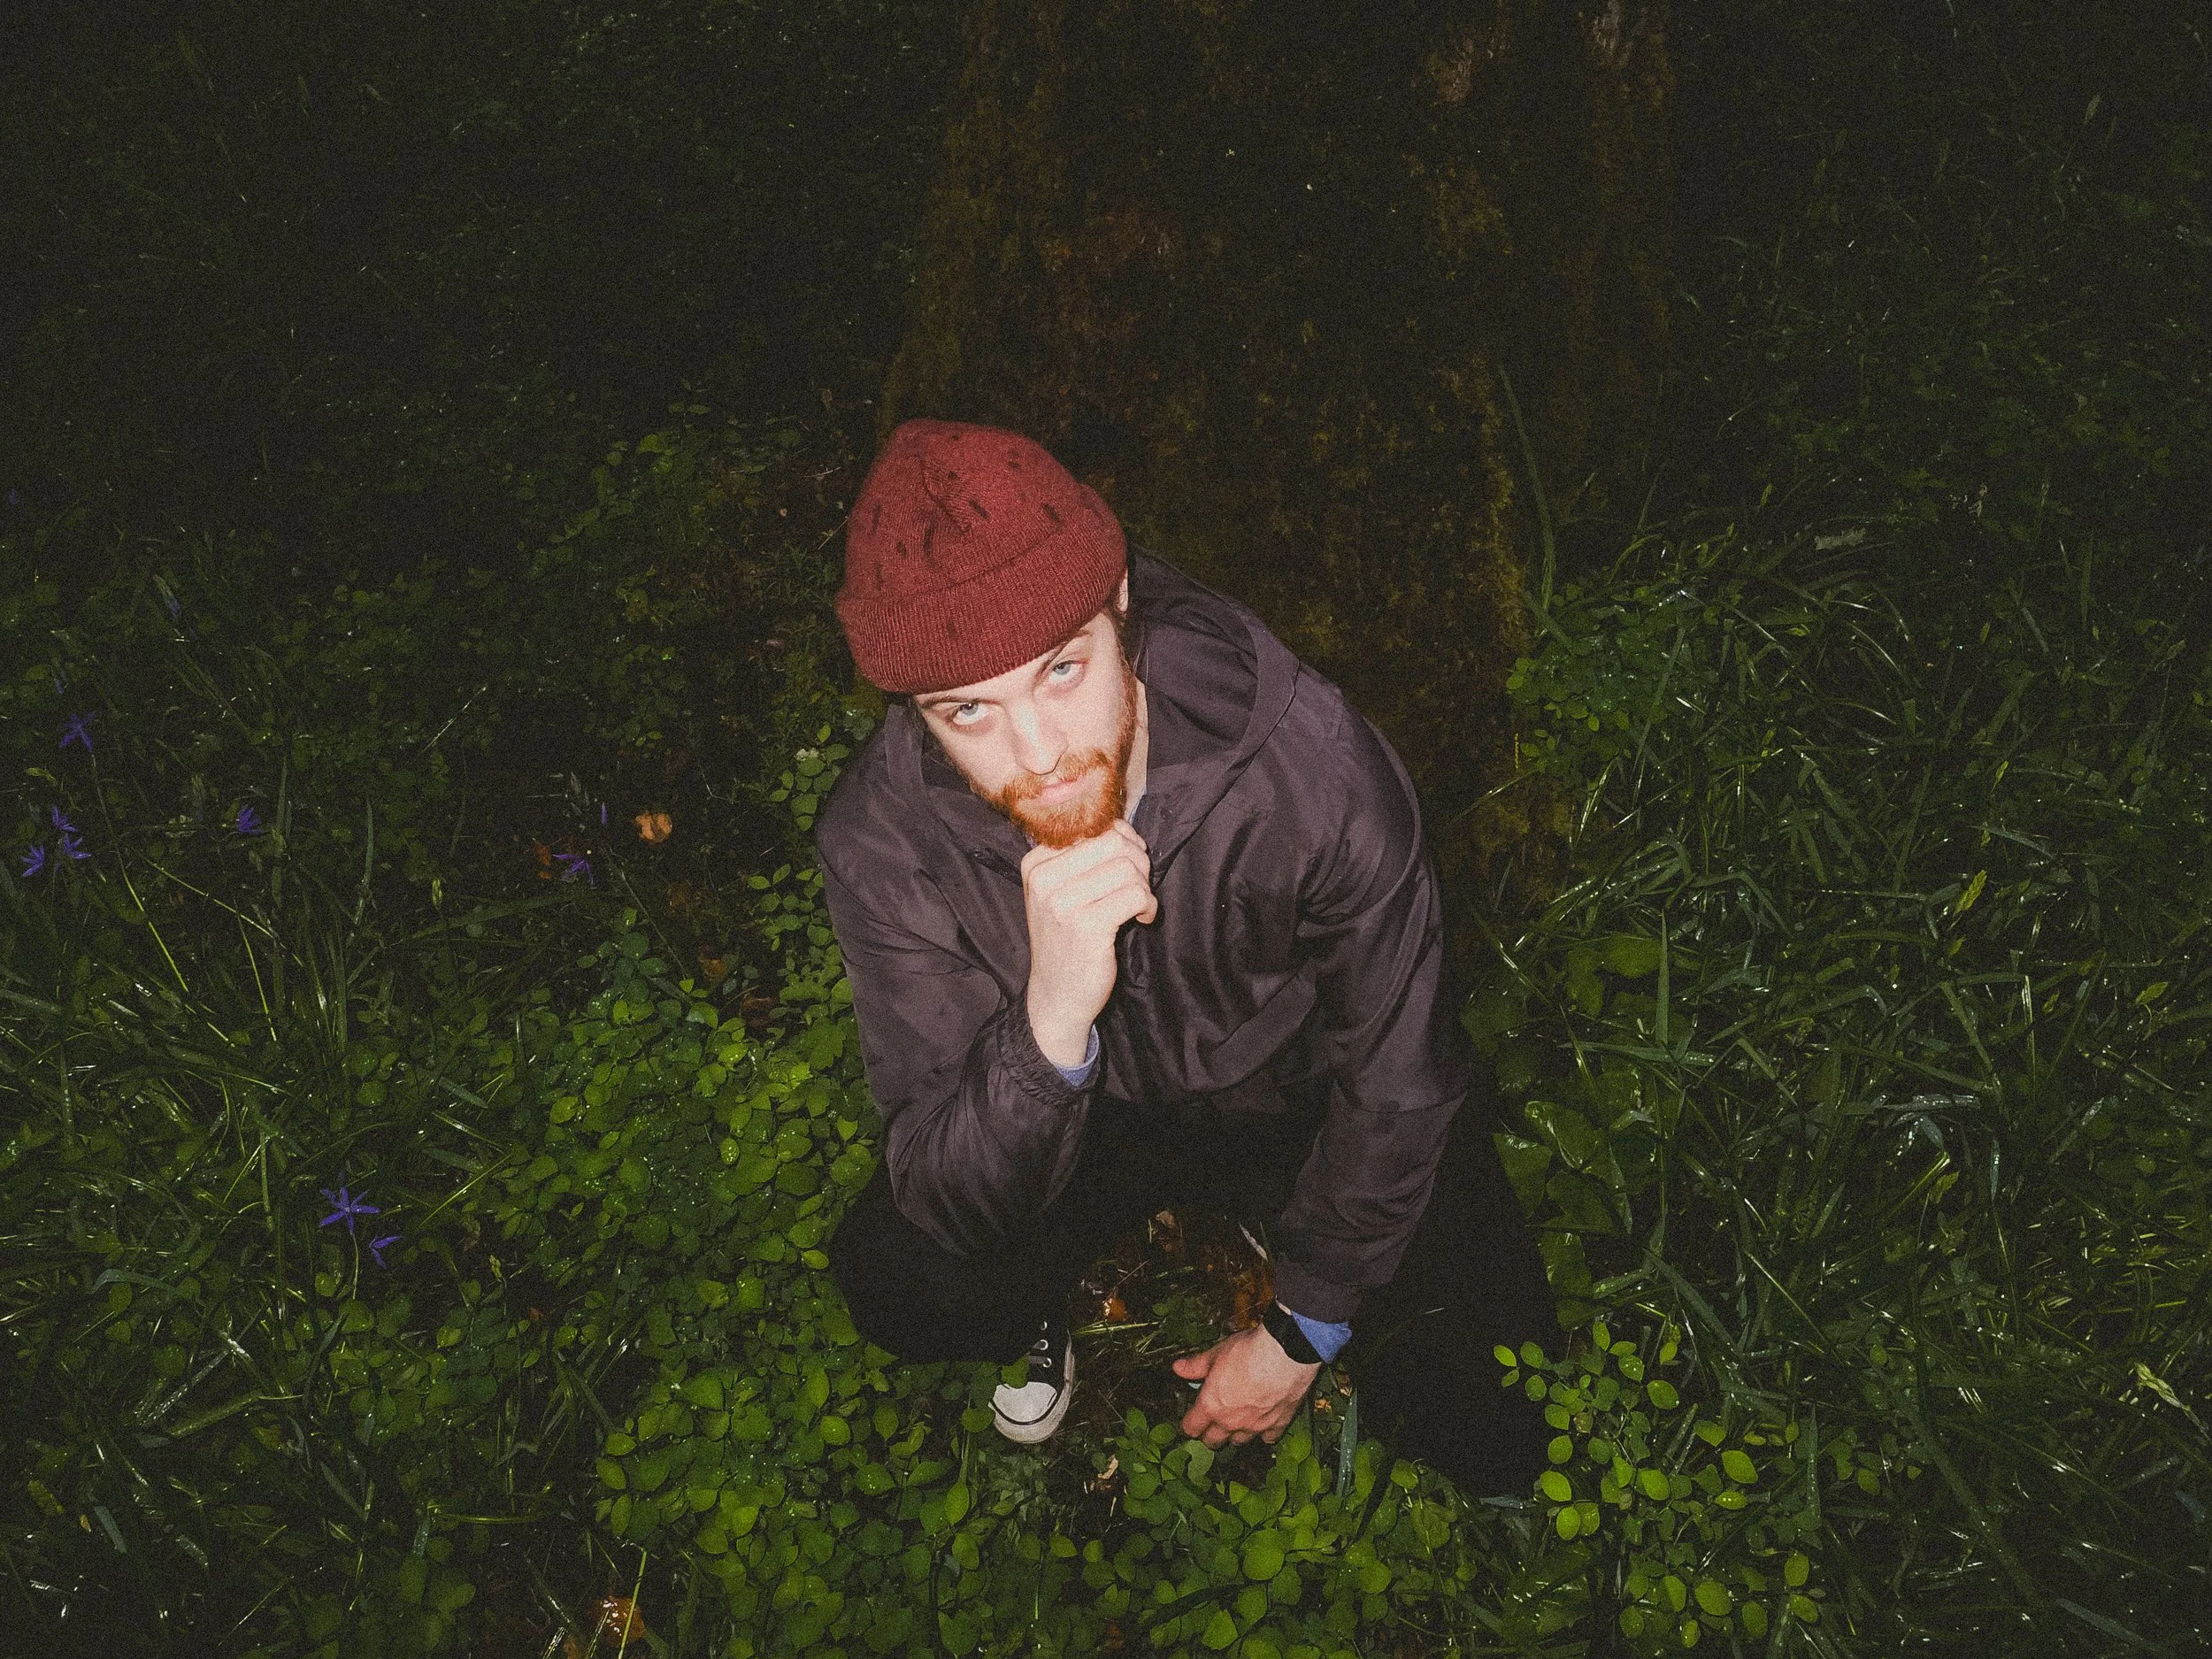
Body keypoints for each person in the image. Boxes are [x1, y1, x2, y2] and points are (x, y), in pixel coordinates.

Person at [818, 419, 1552, 1494]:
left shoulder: (1312, 769)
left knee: (1496, 1430)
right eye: (967, 708)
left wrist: (1301, 1331)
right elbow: (943, 1189)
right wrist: (1049, 1025)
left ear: (1121, 608)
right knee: (902, 1280)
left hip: (1297, 1101)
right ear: (916, 711)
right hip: (1093, 1121)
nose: (1038, 758)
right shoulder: (881, 840)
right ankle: (1047, 1304)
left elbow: (1402, 1079)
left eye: (1062, 671)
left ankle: (1293, 1251)